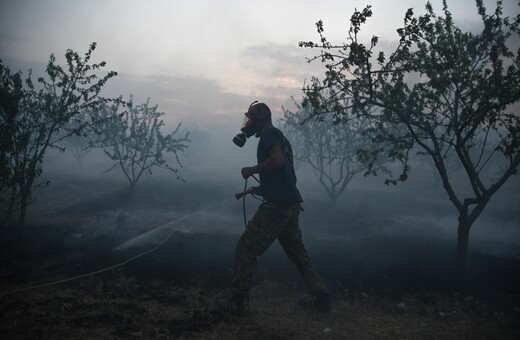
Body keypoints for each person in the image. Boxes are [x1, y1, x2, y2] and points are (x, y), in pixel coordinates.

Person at [216, 102, 330, 316]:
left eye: (250, 118)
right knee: (298, 253)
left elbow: (277, 161)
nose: (247, 124)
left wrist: (252, 170)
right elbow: (285, 173)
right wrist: (261, 188)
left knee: (246, 248)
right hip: (291, 205)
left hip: (277, 208)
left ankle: (238, 303)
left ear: (260, 117)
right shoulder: (280, 137)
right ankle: (322, 297)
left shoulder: (268, 134)